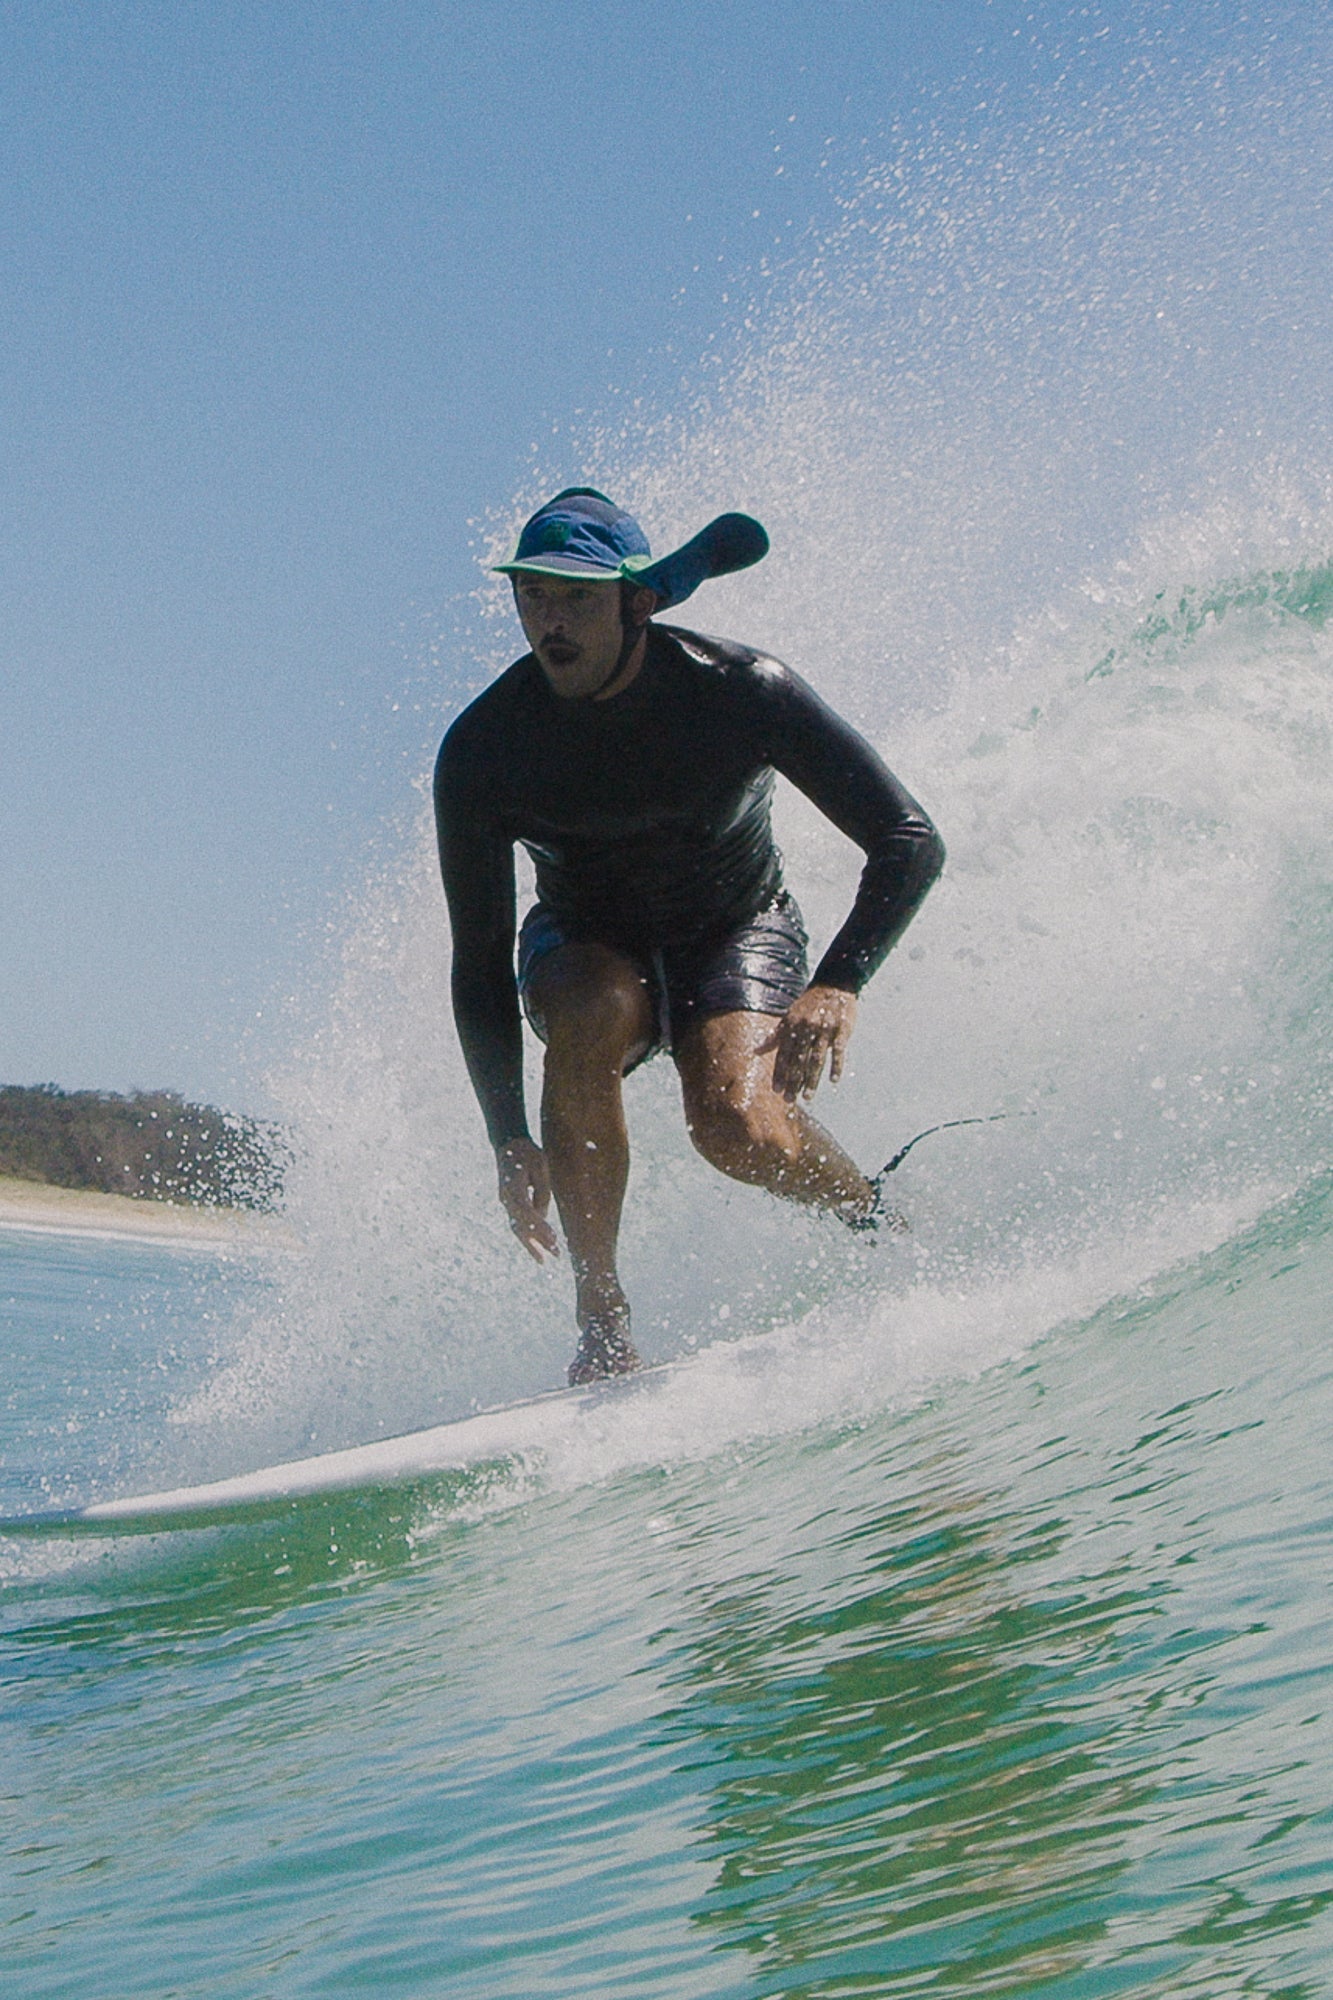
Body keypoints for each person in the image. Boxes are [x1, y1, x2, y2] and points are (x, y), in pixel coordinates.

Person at [435, 488, 944, 1385]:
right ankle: (602, 1322)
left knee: (736, 1125)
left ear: (638, 602)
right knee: (593, 1005)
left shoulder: (740, 691)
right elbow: (478, 961)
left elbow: (907, 839)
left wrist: (839, 981)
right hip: (584, 942)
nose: (550, 623)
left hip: (736, 926)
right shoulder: (486, 749)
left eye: (577, 598)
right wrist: (506, 1135)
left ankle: (876, 1221)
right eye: (532, 595)